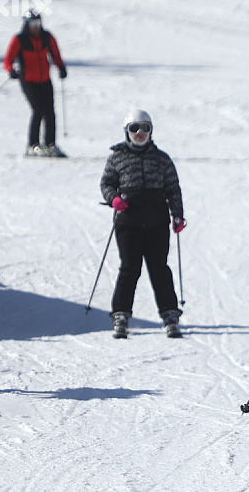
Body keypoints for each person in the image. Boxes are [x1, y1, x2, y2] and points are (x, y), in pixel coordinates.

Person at [100, 109, 186, 339]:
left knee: (159, 268)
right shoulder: (117, 158)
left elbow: (173, 189)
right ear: (127, 131)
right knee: (130, 268)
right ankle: (121, 313)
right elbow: (107, 183)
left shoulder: (161, 159)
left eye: (145, 128)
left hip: (157, 221)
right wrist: (113, 199)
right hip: (129, 221)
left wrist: (177, 215)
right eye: (134, 129)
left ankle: (170, 313)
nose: (140, 133)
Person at [3, 9, 68, 158]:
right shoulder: (20, 39)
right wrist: (11, 70)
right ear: (26, 24)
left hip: (45, 79)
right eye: (32, 24)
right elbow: (8, 59)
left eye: (37, 23)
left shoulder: (47, 37)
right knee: (38, 110)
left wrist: (61, 67)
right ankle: (32, 145)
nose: (35, 27)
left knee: (50, 112)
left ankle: (50, 144)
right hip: (28, 80)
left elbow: (55, 54)